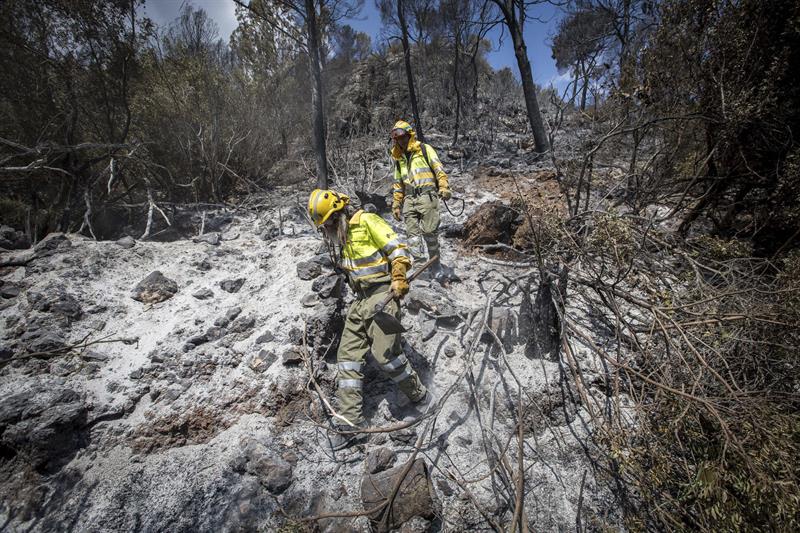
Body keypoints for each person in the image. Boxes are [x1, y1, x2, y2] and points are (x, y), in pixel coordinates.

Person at [307, 188, 433, 450]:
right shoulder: (342, 235)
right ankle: (351, 424)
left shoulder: (367, 221)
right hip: (360, 300)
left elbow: (398, 249)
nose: (327, 230)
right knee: (347, 358)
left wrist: (398, 276)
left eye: (328, 223)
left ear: (338, 214)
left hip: (382, 294)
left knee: (386, 356)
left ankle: (421, 397)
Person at [389, 120, 452, 280]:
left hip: (427, 195)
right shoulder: (398, 158)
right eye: (397, 139)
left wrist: (444, 186)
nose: (401, 141)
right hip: (409, 198)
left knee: (430, 232)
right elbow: (398, 184)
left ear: (409, 135)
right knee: (413, 236)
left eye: (403, 137)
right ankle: (420, 268)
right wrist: (396, 204)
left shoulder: (424, 149)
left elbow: (438, 169)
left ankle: (435, 264)